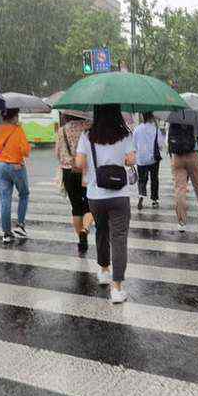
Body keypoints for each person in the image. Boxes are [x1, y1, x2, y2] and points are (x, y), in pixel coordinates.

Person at [75, 104, 136, 304]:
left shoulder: (87, 136)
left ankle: (103, 270)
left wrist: (94, 161)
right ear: (117, 112)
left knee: (101, 231)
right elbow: (131, 160)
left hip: (96, 195)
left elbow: (78, 163)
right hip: (119, 195)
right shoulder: (125, 134)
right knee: (119, 239)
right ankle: (117, 289)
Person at [0, 108, 32, 244]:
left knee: (5, 199)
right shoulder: (18, 130)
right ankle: (20, 225)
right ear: (14, 116)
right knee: (24, 194)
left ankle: (7, 233)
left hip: (1, 166)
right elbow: (25, 151)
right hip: (16, 165)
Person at [55, 112, 93, 252]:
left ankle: (81, 240)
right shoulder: (88, 127)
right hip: (85, 171)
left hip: (68, 172)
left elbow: (57, 154)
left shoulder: (61, 130)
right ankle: (85, 228)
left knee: (76, 207)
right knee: (89, 205)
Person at [168, 122, 198, 231]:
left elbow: (169, 141)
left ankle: (181, 221)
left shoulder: (173, 119)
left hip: (177, 157)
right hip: (193, 155)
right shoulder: (196, 119)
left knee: (180, 188)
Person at [133, 112, 164, 210]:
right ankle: (154, 200)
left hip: (141, 159)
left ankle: (141, 196)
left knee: (142, 179)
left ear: (143, 117)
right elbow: (161, 145)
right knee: (154, 178)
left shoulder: (137, 129)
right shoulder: (155, 129)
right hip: (153, 159)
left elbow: (134, 145)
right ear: (151, 117)